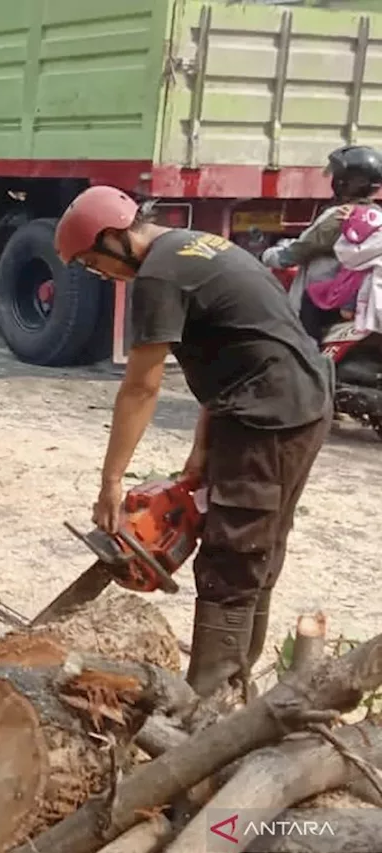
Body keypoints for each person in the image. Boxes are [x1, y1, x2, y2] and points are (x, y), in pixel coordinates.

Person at [54, 186, 333, 699]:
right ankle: (234, 684)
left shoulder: (158, 275)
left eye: (95, 264)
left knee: (233, 554)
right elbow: (233, 348)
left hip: (268, 414)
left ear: (114, 238)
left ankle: (206, 703)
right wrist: (203, 449)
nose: (102, 275)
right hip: (293, 401)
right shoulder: (192, 246)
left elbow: (141, 386)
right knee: (259, 546)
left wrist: (112, 483)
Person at [262, 145, 382, 342]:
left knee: (304, 338)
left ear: (345, 182)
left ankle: (309, 361)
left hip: (333, 298)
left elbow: (295, 253)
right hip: (362, 295)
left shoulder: (338, 217)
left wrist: (266, 256)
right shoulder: (375, 214)